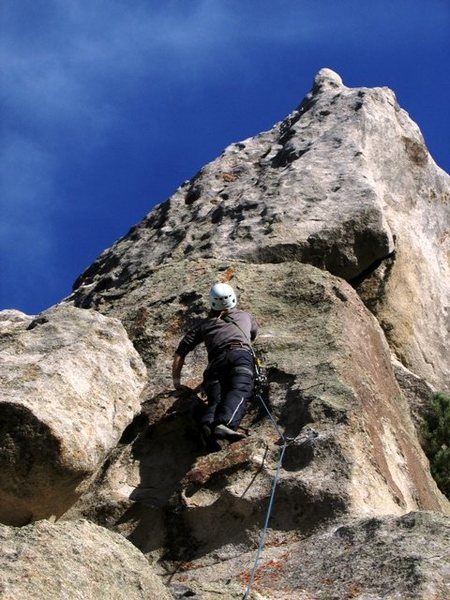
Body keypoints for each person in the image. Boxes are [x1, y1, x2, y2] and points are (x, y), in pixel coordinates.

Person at [172, 282, 258, 442]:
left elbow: (180, 352)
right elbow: (253, 334)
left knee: (216, 399)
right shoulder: (245, 316)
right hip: (240, 355)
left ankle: (208, 427)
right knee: (241, 389)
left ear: (211, 302)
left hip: (215, 364)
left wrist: (177, 382)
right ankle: (226, 424)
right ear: (233, 298)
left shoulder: (203, 325)